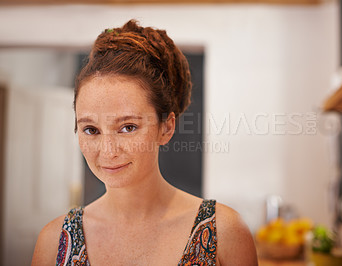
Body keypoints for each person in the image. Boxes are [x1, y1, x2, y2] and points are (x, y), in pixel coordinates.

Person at [31, 19, 258, 266]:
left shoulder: (225, 233)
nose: (108, 151)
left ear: (166, 127)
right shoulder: (53, 243)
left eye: (128, 127)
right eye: (91, 129)